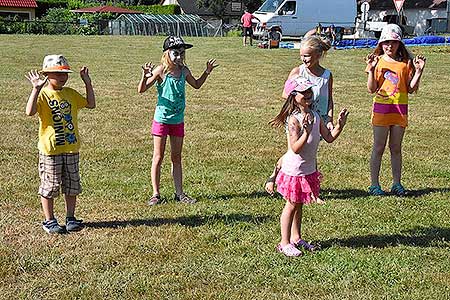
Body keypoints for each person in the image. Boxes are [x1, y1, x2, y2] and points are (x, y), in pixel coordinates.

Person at [270, 76, 348, 257]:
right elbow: (296, 148)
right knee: (291, 205)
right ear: (293, 97)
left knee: (299, 205)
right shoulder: (294, 120)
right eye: (302, 92)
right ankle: (284, 242)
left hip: (308, 170)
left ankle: (296, 238)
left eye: (309, 91)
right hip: (294, 171)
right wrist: (305, 131)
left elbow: (328, 138)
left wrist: (339, 126)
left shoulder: (315, 115)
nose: (307, 94)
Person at [138, 36, 218, 205]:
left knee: (176, 157)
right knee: (158, 157)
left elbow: (196, 85)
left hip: (177, 120)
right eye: (176, 53)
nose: (180, 57)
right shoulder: (161, 71)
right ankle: (155, 193)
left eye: (182, 53)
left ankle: (179, 193)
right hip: (161, 120)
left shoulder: (184, 71)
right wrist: (145, 76)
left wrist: (207, 71)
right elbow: (142, 90)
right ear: (167, 53)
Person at [25, 54, 96, 234]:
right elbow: (29, 112)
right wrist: (35, 89)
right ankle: (49, 221)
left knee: (72, 185)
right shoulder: (43, 95)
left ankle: (70, 218)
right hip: (50, 150)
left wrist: (87, 82)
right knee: (50, 186)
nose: (63, 77)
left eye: (65, 74)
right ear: (47, 75)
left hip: (71, 148)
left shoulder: (70, 93)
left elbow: (91, 104)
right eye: (58, 74)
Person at [265, 36, 334, 196]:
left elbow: (330, 99)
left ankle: (310, 188)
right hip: (299, 118)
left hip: (317, 120)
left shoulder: (327, 76)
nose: (303, 59)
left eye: (307, 56)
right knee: (293, 152)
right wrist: (301, 95)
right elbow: (285, 93)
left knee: (310, 151)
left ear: (318, 54)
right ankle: (278, 177)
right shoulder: (298, 71)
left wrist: (330, 118)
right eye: (301, 55)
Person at [365, 24, 426, 196]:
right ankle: (374, 185)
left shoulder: (406, 63)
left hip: (399, 111)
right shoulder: (377, 62)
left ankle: (397, 183)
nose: (389, 46)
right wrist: (370, 71)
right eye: (386, 42)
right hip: (381, 112)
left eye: (393, 42)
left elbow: (411, 88)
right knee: (378, 147)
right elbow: (371, 89)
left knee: (396, 148)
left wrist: (419, 72)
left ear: (399, 43)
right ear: (381, 43)